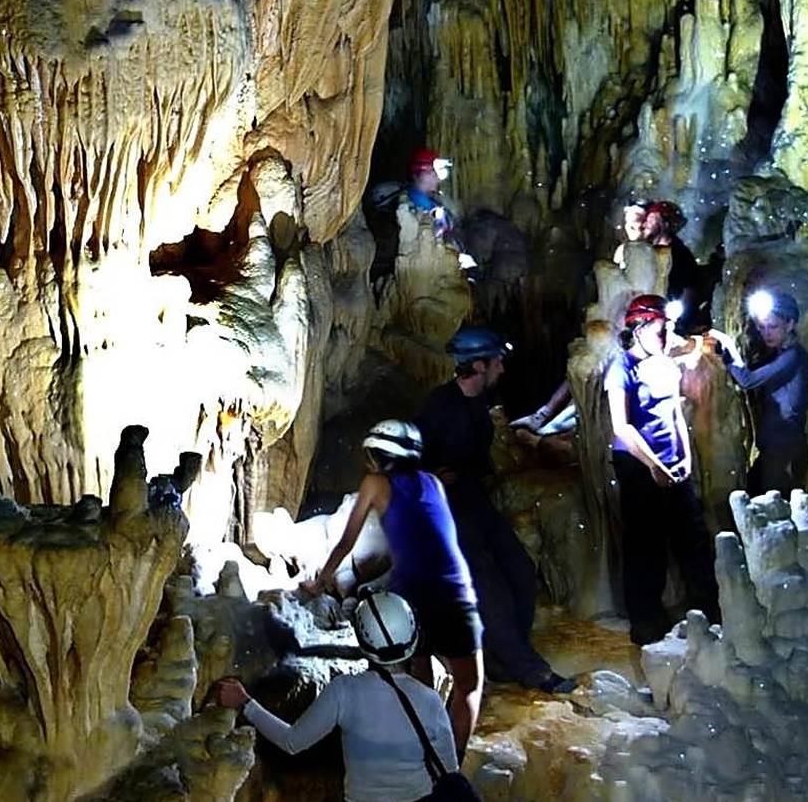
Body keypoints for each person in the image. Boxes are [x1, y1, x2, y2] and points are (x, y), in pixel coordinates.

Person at [304, 420, 484, 755]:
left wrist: (320, 580)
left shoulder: (375, 483)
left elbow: (346, 541)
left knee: (419, 681)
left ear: (379, 456)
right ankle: (451, 768)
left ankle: (422, 755)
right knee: (468, 688)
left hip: (412, 599)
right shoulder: (433, 483)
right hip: (455, 592)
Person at [415, 327, 574, 693]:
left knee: (520, 569)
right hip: (445, 508)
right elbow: (399, 457)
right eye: (497, 361)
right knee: (488, 586)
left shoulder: (476, 404)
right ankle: (530, 670)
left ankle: (502, 658)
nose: (502, 367)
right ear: (480, 365)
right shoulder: (439, 407)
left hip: (473, 498)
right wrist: (427, 476)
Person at [216, 591, 461, 802]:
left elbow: (292, 742)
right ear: (412, 640)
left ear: (363, 641)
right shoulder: (430, 701)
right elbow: (449, 771)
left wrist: (245, 703)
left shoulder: (344, 692)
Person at [605, 294, 721, 645]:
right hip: (639, 468)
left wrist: (685, 458)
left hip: (674, 467)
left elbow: (675, 415)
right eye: (658, 329)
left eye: (667, 329)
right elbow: (621, 427)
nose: (665, 336)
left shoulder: (665, 366)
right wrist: (654, 467)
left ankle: (709, 613)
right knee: (645, 549)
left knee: (694, 542)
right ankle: (646, 624)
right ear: (638, 329)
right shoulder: (621, 369)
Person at [712, 289, 808, 496]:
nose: (767, 333)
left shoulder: (793, 356)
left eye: (773, 327)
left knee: (769, 503)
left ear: (790, 324)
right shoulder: (779, 355)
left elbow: (748, 380)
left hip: (784, 448)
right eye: (762, 327)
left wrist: (728, 350)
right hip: (774, 447)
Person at [612, 202, 649, 269]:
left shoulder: (649, 250)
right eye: (632, 228)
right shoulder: (621, 250)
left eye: (642, 228)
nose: (638, 233)